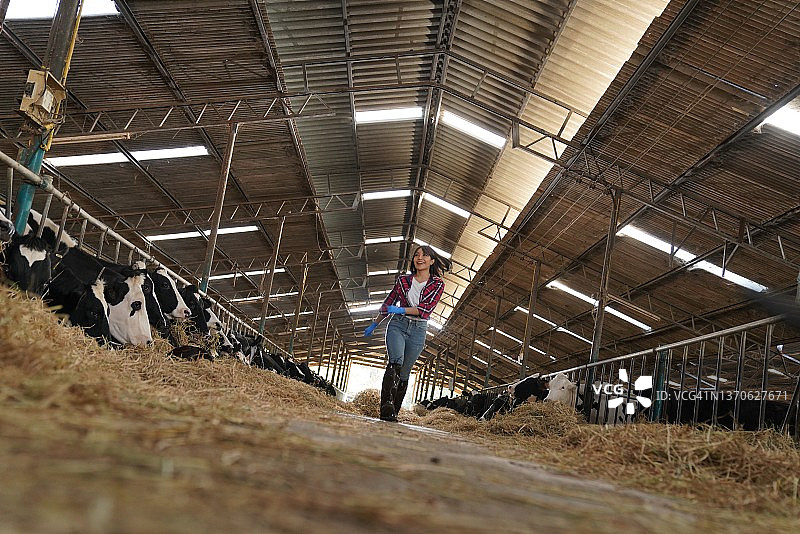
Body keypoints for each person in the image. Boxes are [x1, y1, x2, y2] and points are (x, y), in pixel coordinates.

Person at [363, 245, 451, 421]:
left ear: (432, 261)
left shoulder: (437, 284)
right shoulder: (403, 280)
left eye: (425, 255)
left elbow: (425, 309)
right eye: (417, 255)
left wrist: (400, 309)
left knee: (404, 372)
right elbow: (388, 304)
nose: (420, 258)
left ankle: (394, 412)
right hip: (398, 325)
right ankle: (386, 408)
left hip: (419, 329)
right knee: (395, 361)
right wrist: (374, 324)